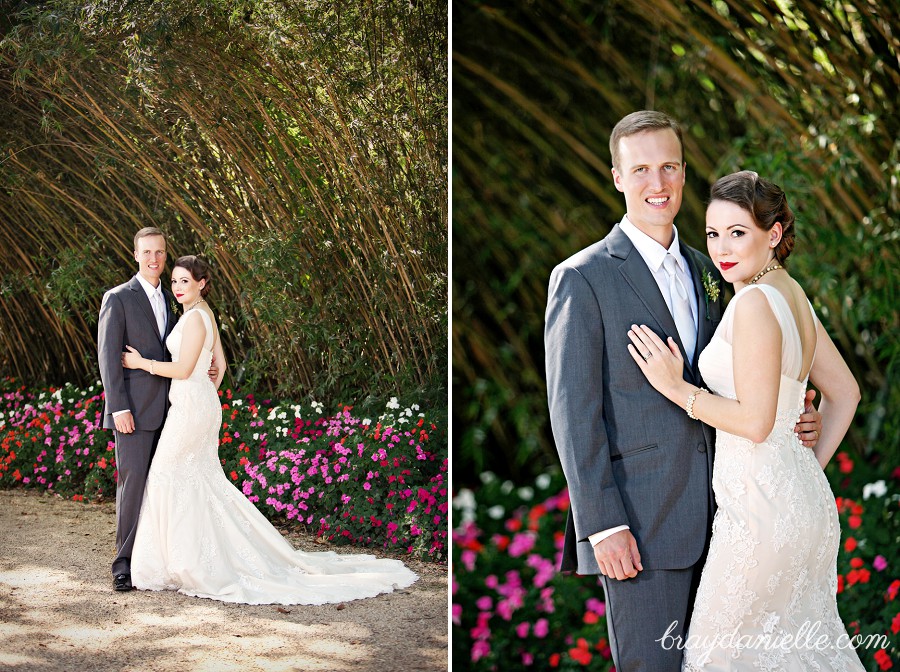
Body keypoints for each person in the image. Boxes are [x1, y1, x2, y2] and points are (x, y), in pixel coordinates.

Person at [544, 111, 822, 671]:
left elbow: (748, 375)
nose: (658, 183)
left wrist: (798, 410)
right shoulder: (582, 278)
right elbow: (574, 415)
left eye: (668, 166)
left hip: (732, 522)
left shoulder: (715, 269)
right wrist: (603, 527)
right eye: (641, 169)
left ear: (684, 172)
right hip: (642, 529)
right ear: (618, 177)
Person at [627, 170, 863, 670]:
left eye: (738, 233)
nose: (721, 249)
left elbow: (755, 422)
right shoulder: (790, 294)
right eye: (713, 234)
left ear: (773, 234)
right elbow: (845, 394)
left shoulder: (755, 302)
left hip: (760, 521)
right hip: (799, 507)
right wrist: (803, 468)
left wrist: (678, 390)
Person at [122, 255, 417, 604]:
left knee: (169, 474)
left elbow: (185, 368)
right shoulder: (202, 314)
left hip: (190, 408)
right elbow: (221, 363)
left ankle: (186, 562)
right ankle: (187, 558)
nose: (178, 287)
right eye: (175, 282)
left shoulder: (197, 318)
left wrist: (143, 364)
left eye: (185, 281)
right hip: (196, 406)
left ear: (202, 283)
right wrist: (204, 392)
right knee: (197, 479)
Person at [98, 227, 177, 592]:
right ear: (135, 255)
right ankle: (123, 564)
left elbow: (175, 351)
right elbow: (108, 358)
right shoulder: (118, 298)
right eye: (147, 253)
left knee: (163, 487)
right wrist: (118, 408)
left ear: (165, 255)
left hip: (171, 410)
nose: (153, 259)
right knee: (133, 485)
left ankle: (156, 559)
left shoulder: (173, 299)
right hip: (133, 411)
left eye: (159, 253)